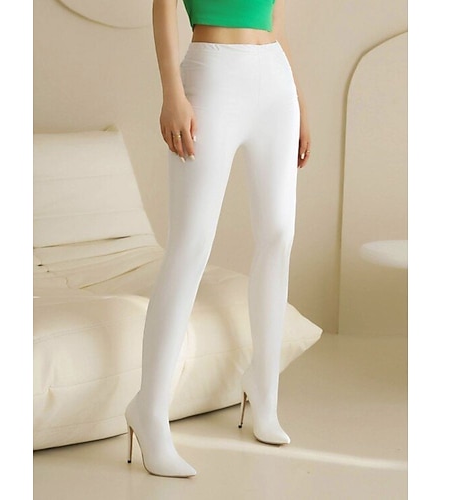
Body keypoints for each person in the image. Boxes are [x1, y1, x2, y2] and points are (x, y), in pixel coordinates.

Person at [125, 0, 312, 478]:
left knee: (278, 234)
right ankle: (149, 409)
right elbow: (163, 7)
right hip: (211, 76)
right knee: (190, 245)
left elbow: (277, 19)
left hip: (275, 81)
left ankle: (264, 390)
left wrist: (300, 104)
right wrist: (172, 92)